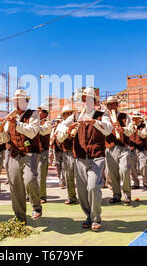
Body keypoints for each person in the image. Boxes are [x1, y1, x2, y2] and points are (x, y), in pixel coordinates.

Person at [57, 88, 113, 231]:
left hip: (97, 157)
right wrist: (68, 130)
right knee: (82, 191)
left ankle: (95, 218)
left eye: (88, 99)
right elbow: (60, 127)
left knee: (93, 187)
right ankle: (88, 216)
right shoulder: (75, 116)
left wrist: (93, 121)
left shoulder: (102, 114)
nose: (85, 102)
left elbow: (108, 129)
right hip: (80, 157)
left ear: (94, 102)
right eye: (83, 99)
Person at [0, 89, 42, 224]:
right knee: (15, 185)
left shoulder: (33, 114)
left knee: (30, 180)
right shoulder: (10, 117)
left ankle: (36, 206)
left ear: (26, 102)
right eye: (15, 101)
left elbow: (33, 132)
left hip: (30, 153)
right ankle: (20, 217)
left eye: (20, 101)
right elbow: (4, 139)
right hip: (14, 154)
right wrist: (0, 129)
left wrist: (16, 123)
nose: (17, 104)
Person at [103, 95, 134, 204]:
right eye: (109, 104)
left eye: (113, 104)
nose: (111, 106)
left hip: (124, 147)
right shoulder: (105, 117)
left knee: (124, 170)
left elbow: (130, 130)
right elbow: (103, 131)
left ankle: (127, 194)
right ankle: (116, 195)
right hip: (110, 148)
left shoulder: (126, 116)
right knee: (113, 173)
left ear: (117, 105)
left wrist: (122, 129)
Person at [57, 106, 78, 205]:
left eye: (70, 113)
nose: (69, 115)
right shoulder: (61, 126)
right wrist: (68, 131)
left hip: (79, 152)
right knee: (69, 176)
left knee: (82, 176)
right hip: (68, 152)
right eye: (66, 113)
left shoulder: (78, 122)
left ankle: (84, 197)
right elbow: (60, 139)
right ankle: (72, 197)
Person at [128, 111, 147, 190]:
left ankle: (145, 182)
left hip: (141, 148)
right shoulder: (129, 126)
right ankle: (136, 183)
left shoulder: (144, 126)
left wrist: (137, 130)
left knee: (143, 166)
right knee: (132, 167)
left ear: (139, 119)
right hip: (131, 148)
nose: (134, 119)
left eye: (136, 118)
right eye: (133, 118)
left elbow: (144, 135)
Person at [37, 104, 52, 204]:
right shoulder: (35, 122)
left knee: (41, 175)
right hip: (33, 151)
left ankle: (42, 195)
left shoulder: (48, 123)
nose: (37, 112)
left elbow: (43, 132)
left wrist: (34, 124)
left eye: (40, 111)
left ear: (44, 113)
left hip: (42, 152)